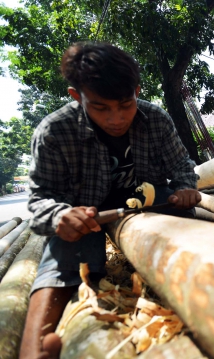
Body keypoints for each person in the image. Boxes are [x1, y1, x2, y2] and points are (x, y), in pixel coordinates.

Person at [20, 42, 201, 359]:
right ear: (77, 97)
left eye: (125, 104)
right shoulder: (54, 132)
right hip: (87, 213)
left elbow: (182, 167)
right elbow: (39, 202)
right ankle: (33, 348)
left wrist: (185, 189)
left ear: (136, 91)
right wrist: (60, 216)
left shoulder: (155, 119)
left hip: (145, 201)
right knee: (64, 251)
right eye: (101, 108)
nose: (117, 118)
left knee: (182, 219)